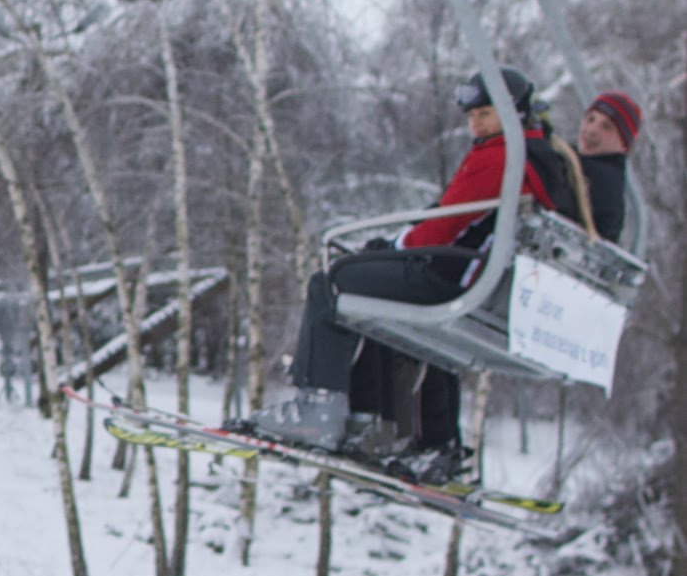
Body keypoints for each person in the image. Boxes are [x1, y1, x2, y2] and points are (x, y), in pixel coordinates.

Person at [243, 69, 588, 484]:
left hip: (450, 279)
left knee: (331, 283)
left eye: (485, 114)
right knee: (372, 292)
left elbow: (445, 225)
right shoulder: (538, 158)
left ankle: (319, 408)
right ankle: (372, 422)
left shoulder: (501, 157)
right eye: (471, 116)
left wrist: (395, 246)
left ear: (512, 113)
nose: (476, 125)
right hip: (482, 283)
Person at [577, 89, 642, 247]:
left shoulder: (605, 179)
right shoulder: (578, 162)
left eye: (606, 127)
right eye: (590, 119)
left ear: (623, 144)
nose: (592, 130)